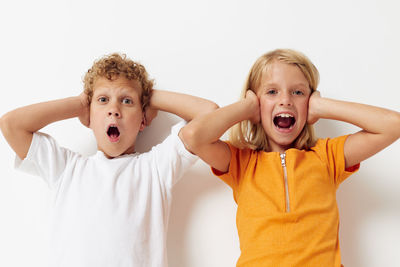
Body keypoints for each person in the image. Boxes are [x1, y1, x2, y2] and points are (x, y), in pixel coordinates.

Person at [180, 49, 400, 266]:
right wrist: (245, 107)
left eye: (298, 92)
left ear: (310, 101)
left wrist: (322, 106)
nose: (285, 100)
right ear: (256, 103)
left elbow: (393, 125)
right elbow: (193, 136)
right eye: (272, 92)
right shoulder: (240, 162)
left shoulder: (328, 156)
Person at [0, 53, 218, 267]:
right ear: (88, 117)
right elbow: (11, 125)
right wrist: (77, 104)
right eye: (103, 100)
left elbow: (209, 113)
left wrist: (149, 98)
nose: (114, 110)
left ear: (143, 120)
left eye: (126, 101)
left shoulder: (155, 168)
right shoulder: (66, 168)